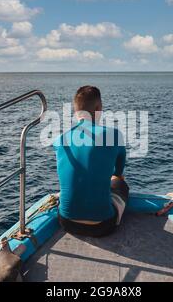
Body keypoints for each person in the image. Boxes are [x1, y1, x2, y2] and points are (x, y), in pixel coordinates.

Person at [53, 85, 129, 237]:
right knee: (120, 184)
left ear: (76, 112)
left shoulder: (59, 140)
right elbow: (118, 173)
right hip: (102, 226)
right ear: (99, 107)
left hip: (66, 222)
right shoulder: (113, 135)